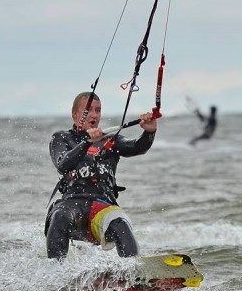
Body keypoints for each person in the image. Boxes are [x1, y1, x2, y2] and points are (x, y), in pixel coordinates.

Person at [45, 91, 158, 260]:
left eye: (98, 110)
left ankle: (134, 274)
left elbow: (136, 147)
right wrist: (86, 143)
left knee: (121, 223)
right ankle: (54, 274)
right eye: (88, 110)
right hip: (72, 206)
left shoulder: (110, 141)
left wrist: (149, 132)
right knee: (59, 216)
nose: (94, 115)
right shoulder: (62, 138)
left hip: (102, 207)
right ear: (75, 114)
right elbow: (63, 164)